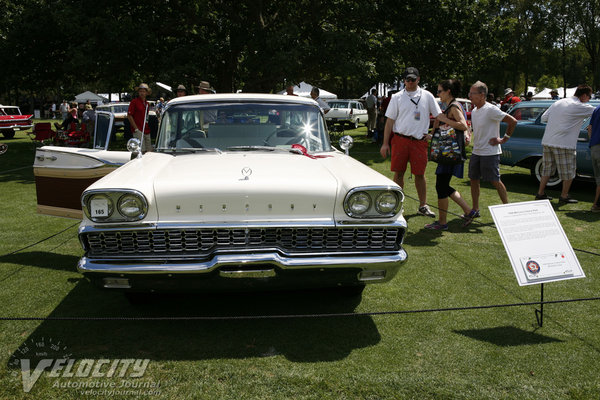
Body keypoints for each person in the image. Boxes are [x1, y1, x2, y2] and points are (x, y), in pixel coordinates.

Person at [380, 67, 442, 217]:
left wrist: (433, 134)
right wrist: (385, 143)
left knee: (419, 174)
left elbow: (439, 115)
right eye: (407, 79)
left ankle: (423, 205)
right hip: (400, 140)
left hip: (419, 142)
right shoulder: (397, 97)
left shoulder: (427, 96)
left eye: (413, 79)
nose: (410, 82)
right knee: (398, 174)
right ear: (404, 80)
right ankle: (397, 206)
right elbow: (389, 121)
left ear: (418, 79)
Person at [463, 81, 517, 226]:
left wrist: (504, 139)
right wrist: (469, 135)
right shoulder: (474, 111)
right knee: (473, 180)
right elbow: (476, 129)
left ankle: (507, 209)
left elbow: (512, 121)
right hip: (476, 152)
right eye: (470, 93)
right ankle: (475, 209)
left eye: (472, 93)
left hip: (490, 153)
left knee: (495, 180)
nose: (470, 96)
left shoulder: (491, 109)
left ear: (482, 95)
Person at [535, 85, 595, 203]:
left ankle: (540, 193)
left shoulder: (559, 102)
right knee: (569, 171)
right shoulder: (579, 106)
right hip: (564, 143)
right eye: (589, 97)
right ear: (583, 95)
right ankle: (564, 195)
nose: (589, 99)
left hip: (548, 141)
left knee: (547, 169)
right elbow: (596, 111)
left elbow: (544, 118)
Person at [425, 79, 472, 230]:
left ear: (448, 91)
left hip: (450, 154)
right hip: (449, 152)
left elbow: (463, 125)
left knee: (441, 186)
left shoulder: (453, 107)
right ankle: (468, 211)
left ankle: (443, 222)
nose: (438, 94)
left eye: (440, 91)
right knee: (443, 186)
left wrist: (444, 119)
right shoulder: (451, 106)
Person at [127, 83, 152, 153]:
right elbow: (129, 115)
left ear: (147, 93)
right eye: (140, 91)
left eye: (144, 91)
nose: (142, 93)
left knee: (149, 150)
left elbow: (146, 117)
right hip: (138, 129)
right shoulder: (134, 102)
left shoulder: (147, 104)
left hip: (146, 129)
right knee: (141, 150)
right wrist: (136, 129)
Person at [589, 103, 600, 212]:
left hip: (594, 146)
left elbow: (590, 128)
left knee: (598, 179)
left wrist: (592, 142)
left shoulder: (597, 109)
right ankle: (596, 205)